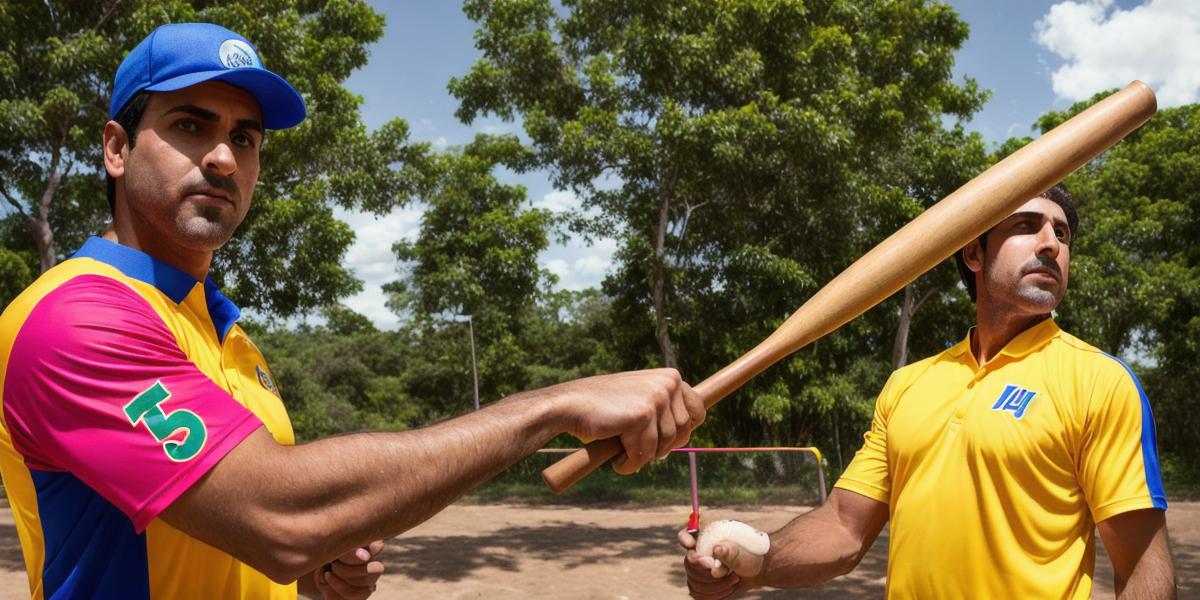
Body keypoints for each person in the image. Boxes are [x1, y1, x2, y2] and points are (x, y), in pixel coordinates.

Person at [0, 23, 704, 600]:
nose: (222, 158)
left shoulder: (222, 327)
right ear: (116, 149)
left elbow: (248, 540)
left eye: (245, 138)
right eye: (190, 124)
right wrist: (558, 405)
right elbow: (277, 514)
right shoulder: (75, 318)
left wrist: (317, 577)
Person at [680, 184, 1177, 599]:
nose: (1051, 243)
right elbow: (843, 529)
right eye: (1026, 226)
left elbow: (1143, 569)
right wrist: (757, 561)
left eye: (1062, 234)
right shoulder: (909, 384)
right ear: (973, 252)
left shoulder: (1098, 380)